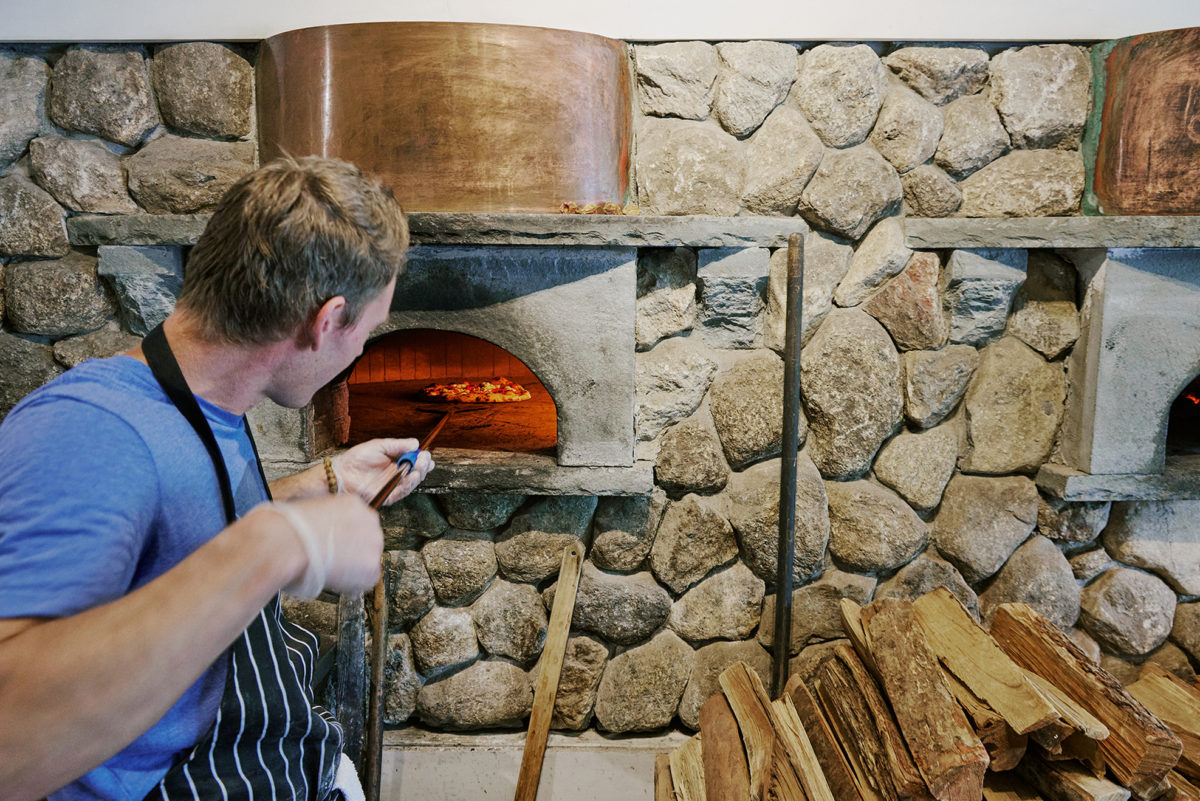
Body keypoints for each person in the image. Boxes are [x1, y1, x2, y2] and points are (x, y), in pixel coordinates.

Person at [0, 155, 434, 801]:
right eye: (367, 333)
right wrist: (278, 543)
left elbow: (160, 537)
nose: (362, 351)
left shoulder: (200, 409)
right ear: (326, 319)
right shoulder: (88, 432)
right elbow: (12, 743)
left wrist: (315, 487)